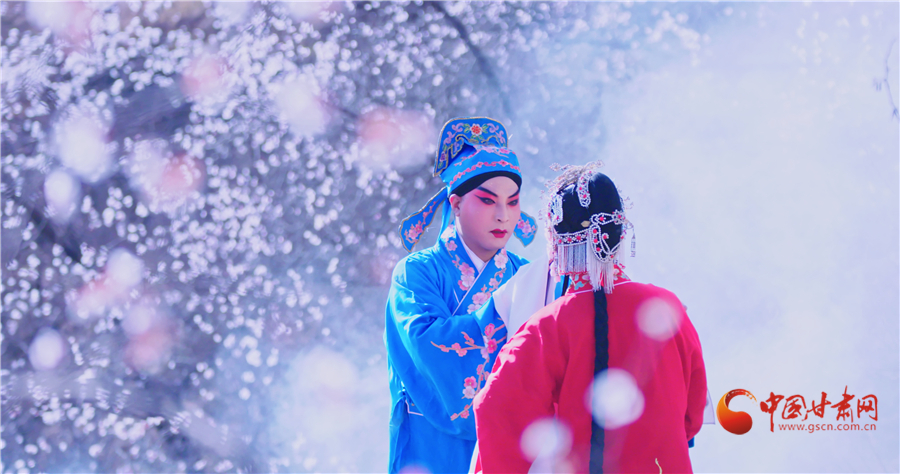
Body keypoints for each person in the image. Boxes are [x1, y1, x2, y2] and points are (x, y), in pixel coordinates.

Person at [473, 165, 707, 473]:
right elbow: (692, 411)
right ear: (619, 233)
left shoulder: (548, 326)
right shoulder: (666, 308)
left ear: (558, 242)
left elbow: (496, 409)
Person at [385, 117, 538, 473]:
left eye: (513, 202)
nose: (503, 216)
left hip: (508, 442)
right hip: (431, 444)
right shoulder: (416, 272)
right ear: (455, 204)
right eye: (487, 200)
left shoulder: (526, 274)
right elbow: (426, 344)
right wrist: (503, 309)